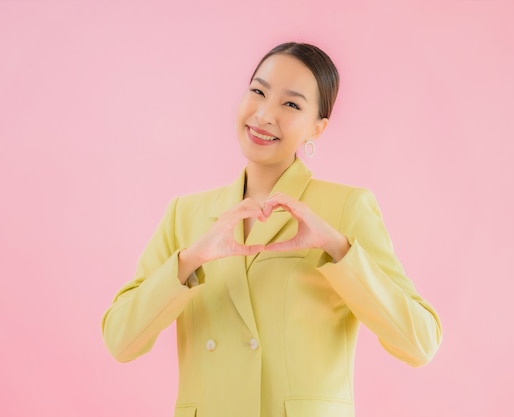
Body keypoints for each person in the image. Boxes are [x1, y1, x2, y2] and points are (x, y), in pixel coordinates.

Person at [101, 42, 442, 417]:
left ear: (318, 128)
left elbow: (419, 343)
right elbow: (121, 340)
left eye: (292, 104)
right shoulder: (185, 214)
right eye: (258, 92)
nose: (264, 114)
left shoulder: (345, 208)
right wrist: (190, 260)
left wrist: (339, 249)